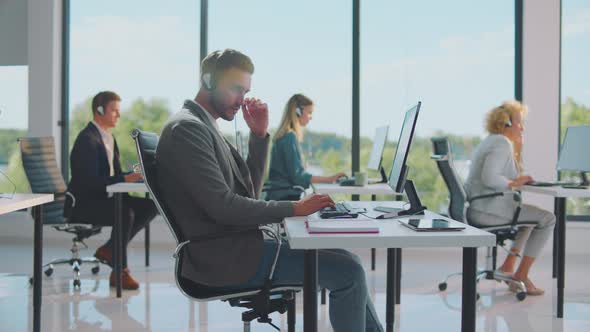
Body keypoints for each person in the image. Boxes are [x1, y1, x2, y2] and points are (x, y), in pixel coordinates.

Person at [156, 49, 384, 332]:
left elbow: (247, 194)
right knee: (348, 273)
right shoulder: (187, 129)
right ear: (209, 81)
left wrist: (259, 136)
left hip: (239, 244)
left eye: (246, 91)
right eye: (235, 89)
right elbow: (223, 207)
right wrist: (294, 208)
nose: (241, 100)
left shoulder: (204, 126)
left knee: (348, 259)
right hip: (226, 257)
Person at [66, 91, 157, 290]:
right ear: (99, 110)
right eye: (114, 110)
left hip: (106, 198)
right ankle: (120, 270)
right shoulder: (87, 140)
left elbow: (110, 174)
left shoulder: (108, 137)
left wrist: (133, 176)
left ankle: (109, 249)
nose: (118, 115)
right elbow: (90, 182)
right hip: (85, 204)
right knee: (124, 212)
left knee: (151, 205)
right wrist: (125, 178)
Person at [464, 100, 556, 296]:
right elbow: (490, 178)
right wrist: (514, 183)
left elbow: (501, 173)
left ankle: (508, 267)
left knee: (529, 220)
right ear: (505, 124)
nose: (522, 128)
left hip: (481, 208)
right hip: (488, 210)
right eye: (518, 123)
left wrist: (518, 151)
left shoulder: (493, 140)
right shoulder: (500, 143)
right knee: (548, 218)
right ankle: (521, 275)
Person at [265, 93, 346, 200]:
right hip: (284, 199)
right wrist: (329, 179)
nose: (310, 117)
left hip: (279, 197)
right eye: (309, 113)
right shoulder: (289, 137)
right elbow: (298, 178)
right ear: (298, 112)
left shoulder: (285, 136)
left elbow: (292, 172)